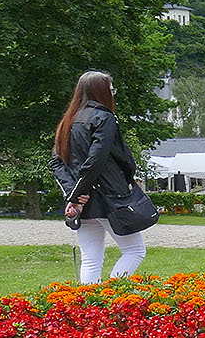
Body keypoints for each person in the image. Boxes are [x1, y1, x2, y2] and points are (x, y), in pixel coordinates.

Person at [51, 71, 150, 284]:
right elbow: (96, 160)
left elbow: (56, 162)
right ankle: (111, 296)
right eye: (111, 89)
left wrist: (74, 196)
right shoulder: (104, 117)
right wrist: (77, 194)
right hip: (110, 197)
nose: (113, 93)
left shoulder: (68, 121)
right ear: (103, 91)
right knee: (135, 251)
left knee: (91, 259)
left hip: (84, 203)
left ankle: (89, 307)